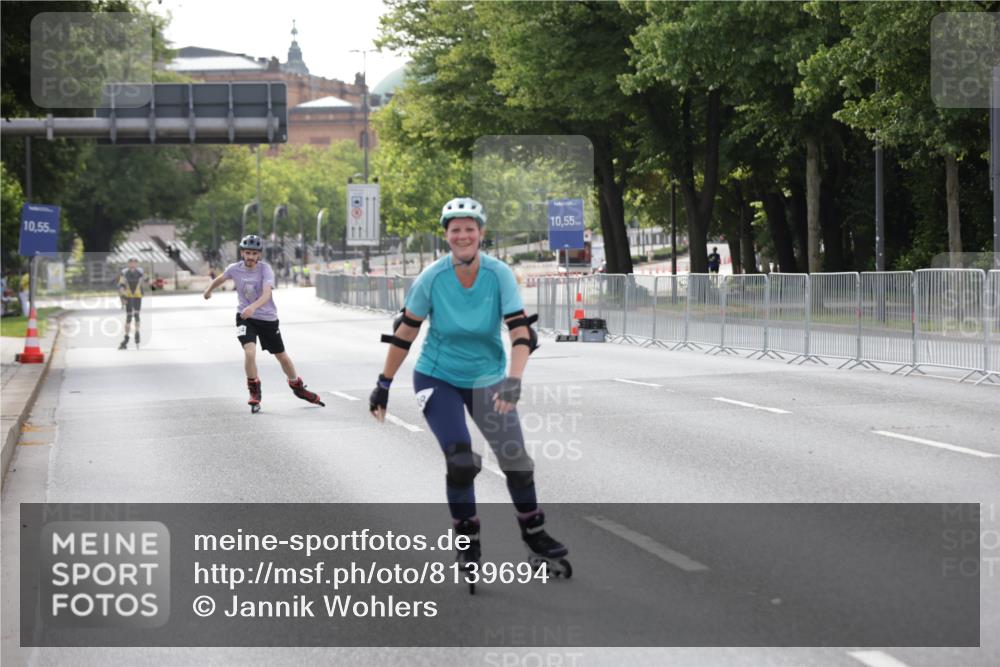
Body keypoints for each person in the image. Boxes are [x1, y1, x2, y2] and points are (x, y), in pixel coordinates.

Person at [369, 197, 571, 579]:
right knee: (461, 462)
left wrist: (513, 381)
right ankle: (467, 543)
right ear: (446, 236)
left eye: (469, 228)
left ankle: (534, 534)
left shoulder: (499, 275)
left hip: (488, 378)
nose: (463, 235)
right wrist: (383, 384)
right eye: (455, 229)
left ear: (481, 233)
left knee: (517, 463)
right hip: (437, 376)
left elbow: (519, 331)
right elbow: (405, 334)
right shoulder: (432, 277)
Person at [203, 234, 325, 413]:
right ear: (242, 253)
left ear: (259, 255)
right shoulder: (234, 269)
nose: (251, 257)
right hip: (245, 317)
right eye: (247, 253)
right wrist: (208, 291)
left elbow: (267, 294)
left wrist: (253, 307)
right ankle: (254, 391)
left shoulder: (265, 270)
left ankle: (297, 386)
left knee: (281, 356)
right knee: (249, 352)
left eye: (254, 253)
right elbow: (220, 279)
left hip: (267, 319)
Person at [117, 257, 145, 349]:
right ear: (128, 263)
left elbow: (146, 281)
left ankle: (137, 333)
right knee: (129, 317)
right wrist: (122, 297)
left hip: (137, 296)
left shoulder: (140, 272)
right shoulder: (124, 273)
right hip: (128, 296)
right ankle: (126, 337)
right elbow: (121, 286)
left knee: (137, 315)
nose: (133, 264)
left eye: (134, 262)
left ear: (136, 264)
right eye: (131, 262)